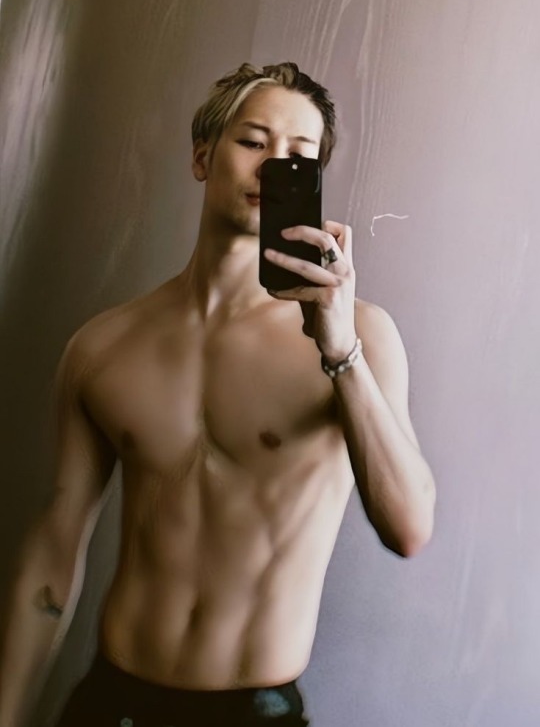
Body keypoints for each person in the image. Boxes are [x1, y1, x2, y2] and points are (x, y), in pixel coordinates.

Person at [0, 62, 436, 727]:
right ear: (203, 158)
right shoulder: (104, 346)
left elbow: (408, 529)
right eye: (253, 141)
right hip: (111, 702)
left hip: (254, 711)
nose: (272, 167)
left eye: (298, 156)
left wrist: (339, 350)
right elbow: (55, 549)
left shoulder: (362, 335)